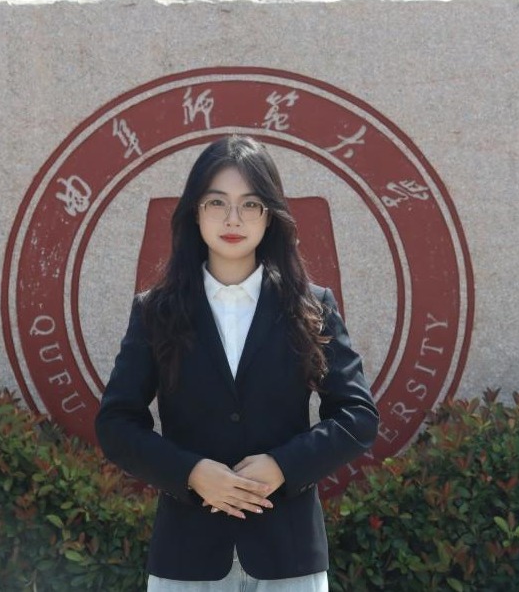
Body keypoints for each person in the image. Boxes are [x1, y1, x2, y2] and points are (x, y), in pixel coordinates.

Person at [95, 135, 379, 591]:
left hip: (289, 555)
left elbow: (357, 417)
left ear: (270, 215)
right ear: (195, 212)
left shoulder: (311, 307)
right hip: (187, 555)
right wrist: (190, 473)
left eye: (250, 204)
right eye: (217, 203)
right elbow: (116, 424)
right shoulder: (156, 311)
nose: (233, 219)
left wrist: (283, 466)